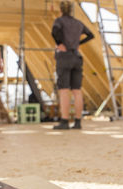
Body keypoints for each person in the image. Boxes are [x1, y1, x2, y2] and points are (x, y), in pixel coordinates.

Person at [51, 1, 94, 129]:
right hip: (77, 56)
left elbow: (54, 31)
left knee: (64, 90)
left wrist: (60, 43)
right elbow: (91, 35)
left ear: (61, 10)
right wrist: (78, 44)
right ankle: (77, 121)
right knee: (77, 90)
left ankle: (64, 121)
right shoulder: (78, 23)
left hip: (64, 58)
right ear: (71, 10)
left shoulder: (59, 21)